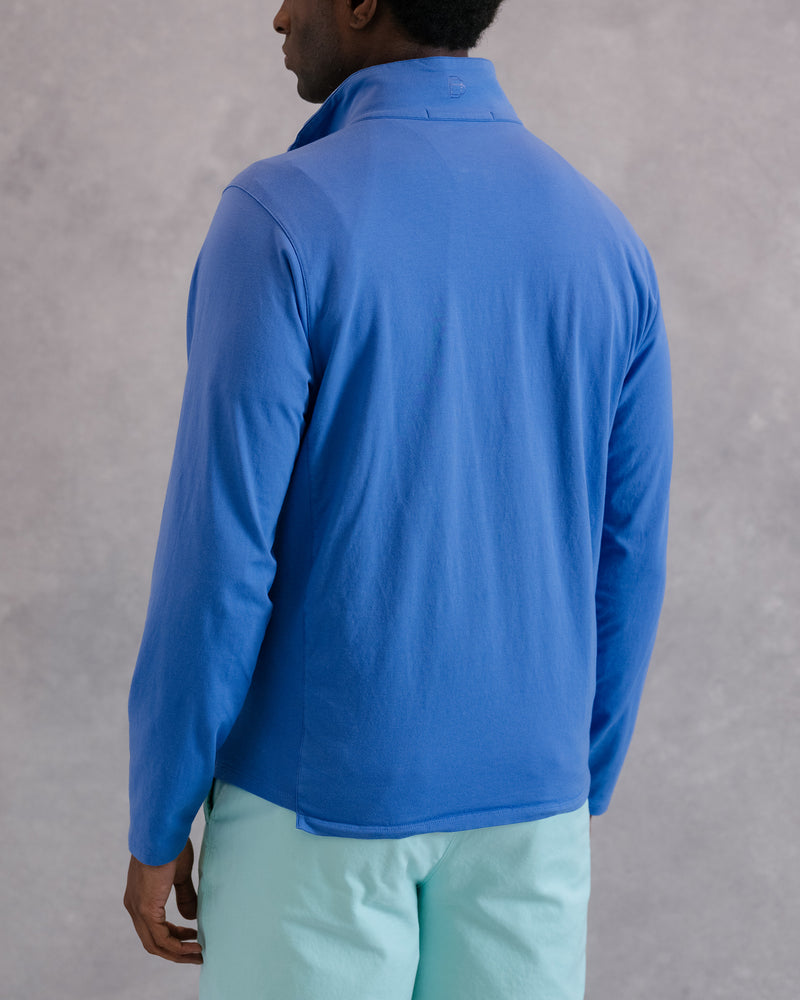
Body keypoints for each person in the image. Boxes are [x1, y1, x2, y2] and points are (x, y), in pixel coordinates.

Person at [123, 0, 673, 997]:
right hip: (530, 800)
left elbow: (221, 556)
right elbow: (627, 549)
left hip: (316, 801)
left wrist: (160, 813)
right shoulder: (602, 233)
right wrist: (572, 779)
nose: (278, 15)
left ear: (362, 2)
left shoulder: (278, 215)